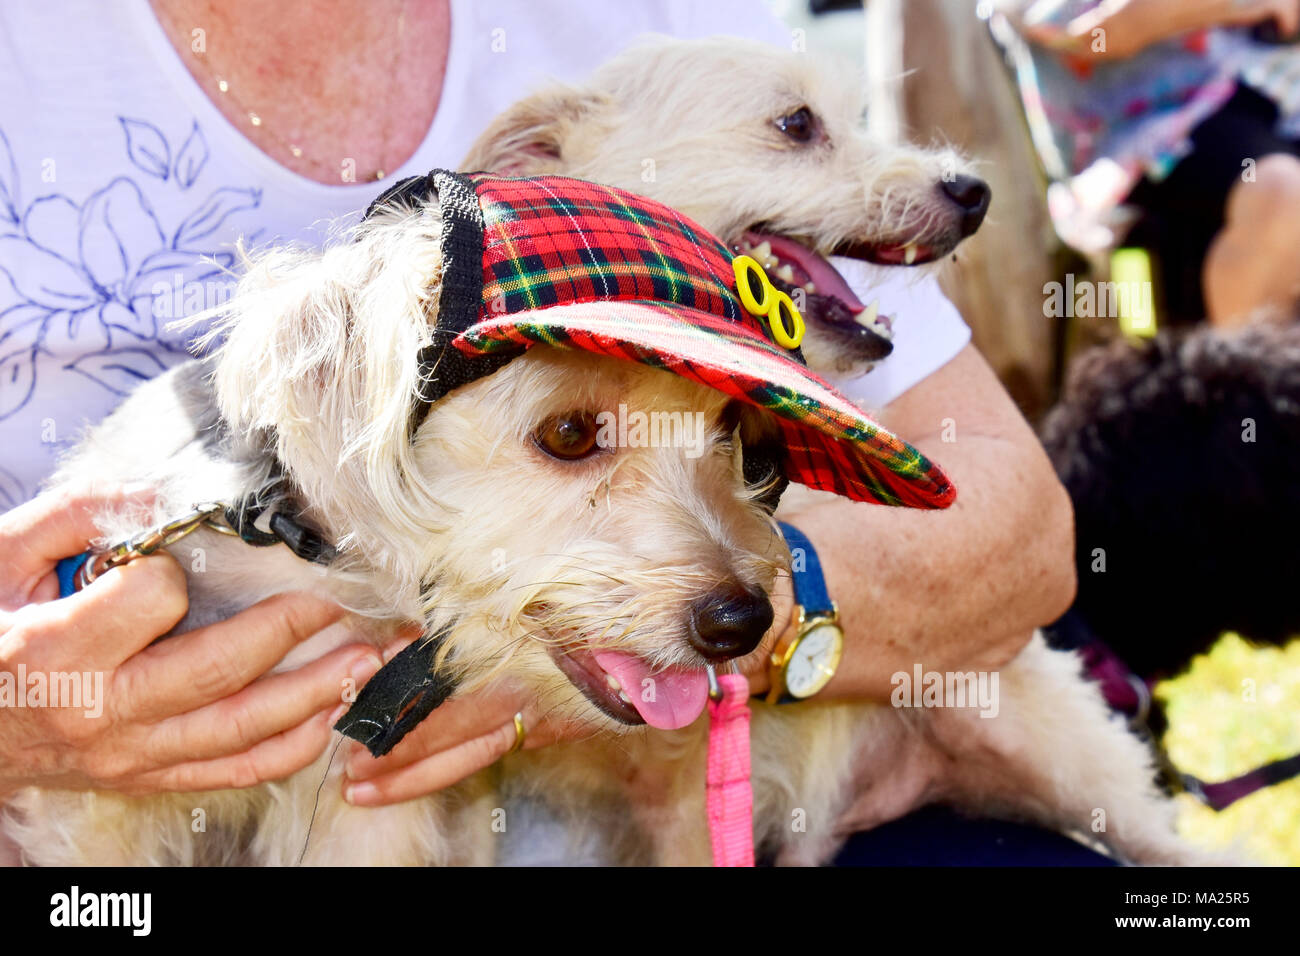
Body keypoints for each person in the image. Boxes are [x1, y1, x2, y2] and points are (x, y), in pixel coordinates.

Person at [0, 0, 1075, 863]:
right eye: (570, 434)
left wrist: (773, 620)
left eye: (725, 430)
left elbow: (1021, 540)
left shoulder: (686, 50)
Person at [995, 0, 1300, 328]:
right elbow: (1100, 34)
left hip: (1266, 104)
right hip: (1148, 141)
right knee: (1280, 194)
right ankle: (1241, 373)